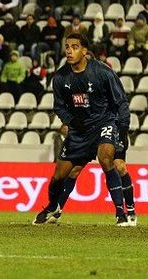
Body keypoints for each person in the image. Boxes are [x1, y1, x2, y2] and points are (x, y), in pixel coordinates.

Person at [32, 33, 131, 226]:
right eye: (67, 46)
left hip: (104, 122)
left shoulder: (102, 72)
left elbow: (120, 101)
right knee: (60, 176)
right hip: (79, 131)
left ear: (84, 51)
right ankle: (53, 207)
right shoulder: (60, 77)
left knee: (105, 158)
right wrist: (71, 121)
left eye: (75, 46)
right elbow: (59, 106)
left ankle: (121, 213)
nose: (69, 50)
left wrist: (123, 130)